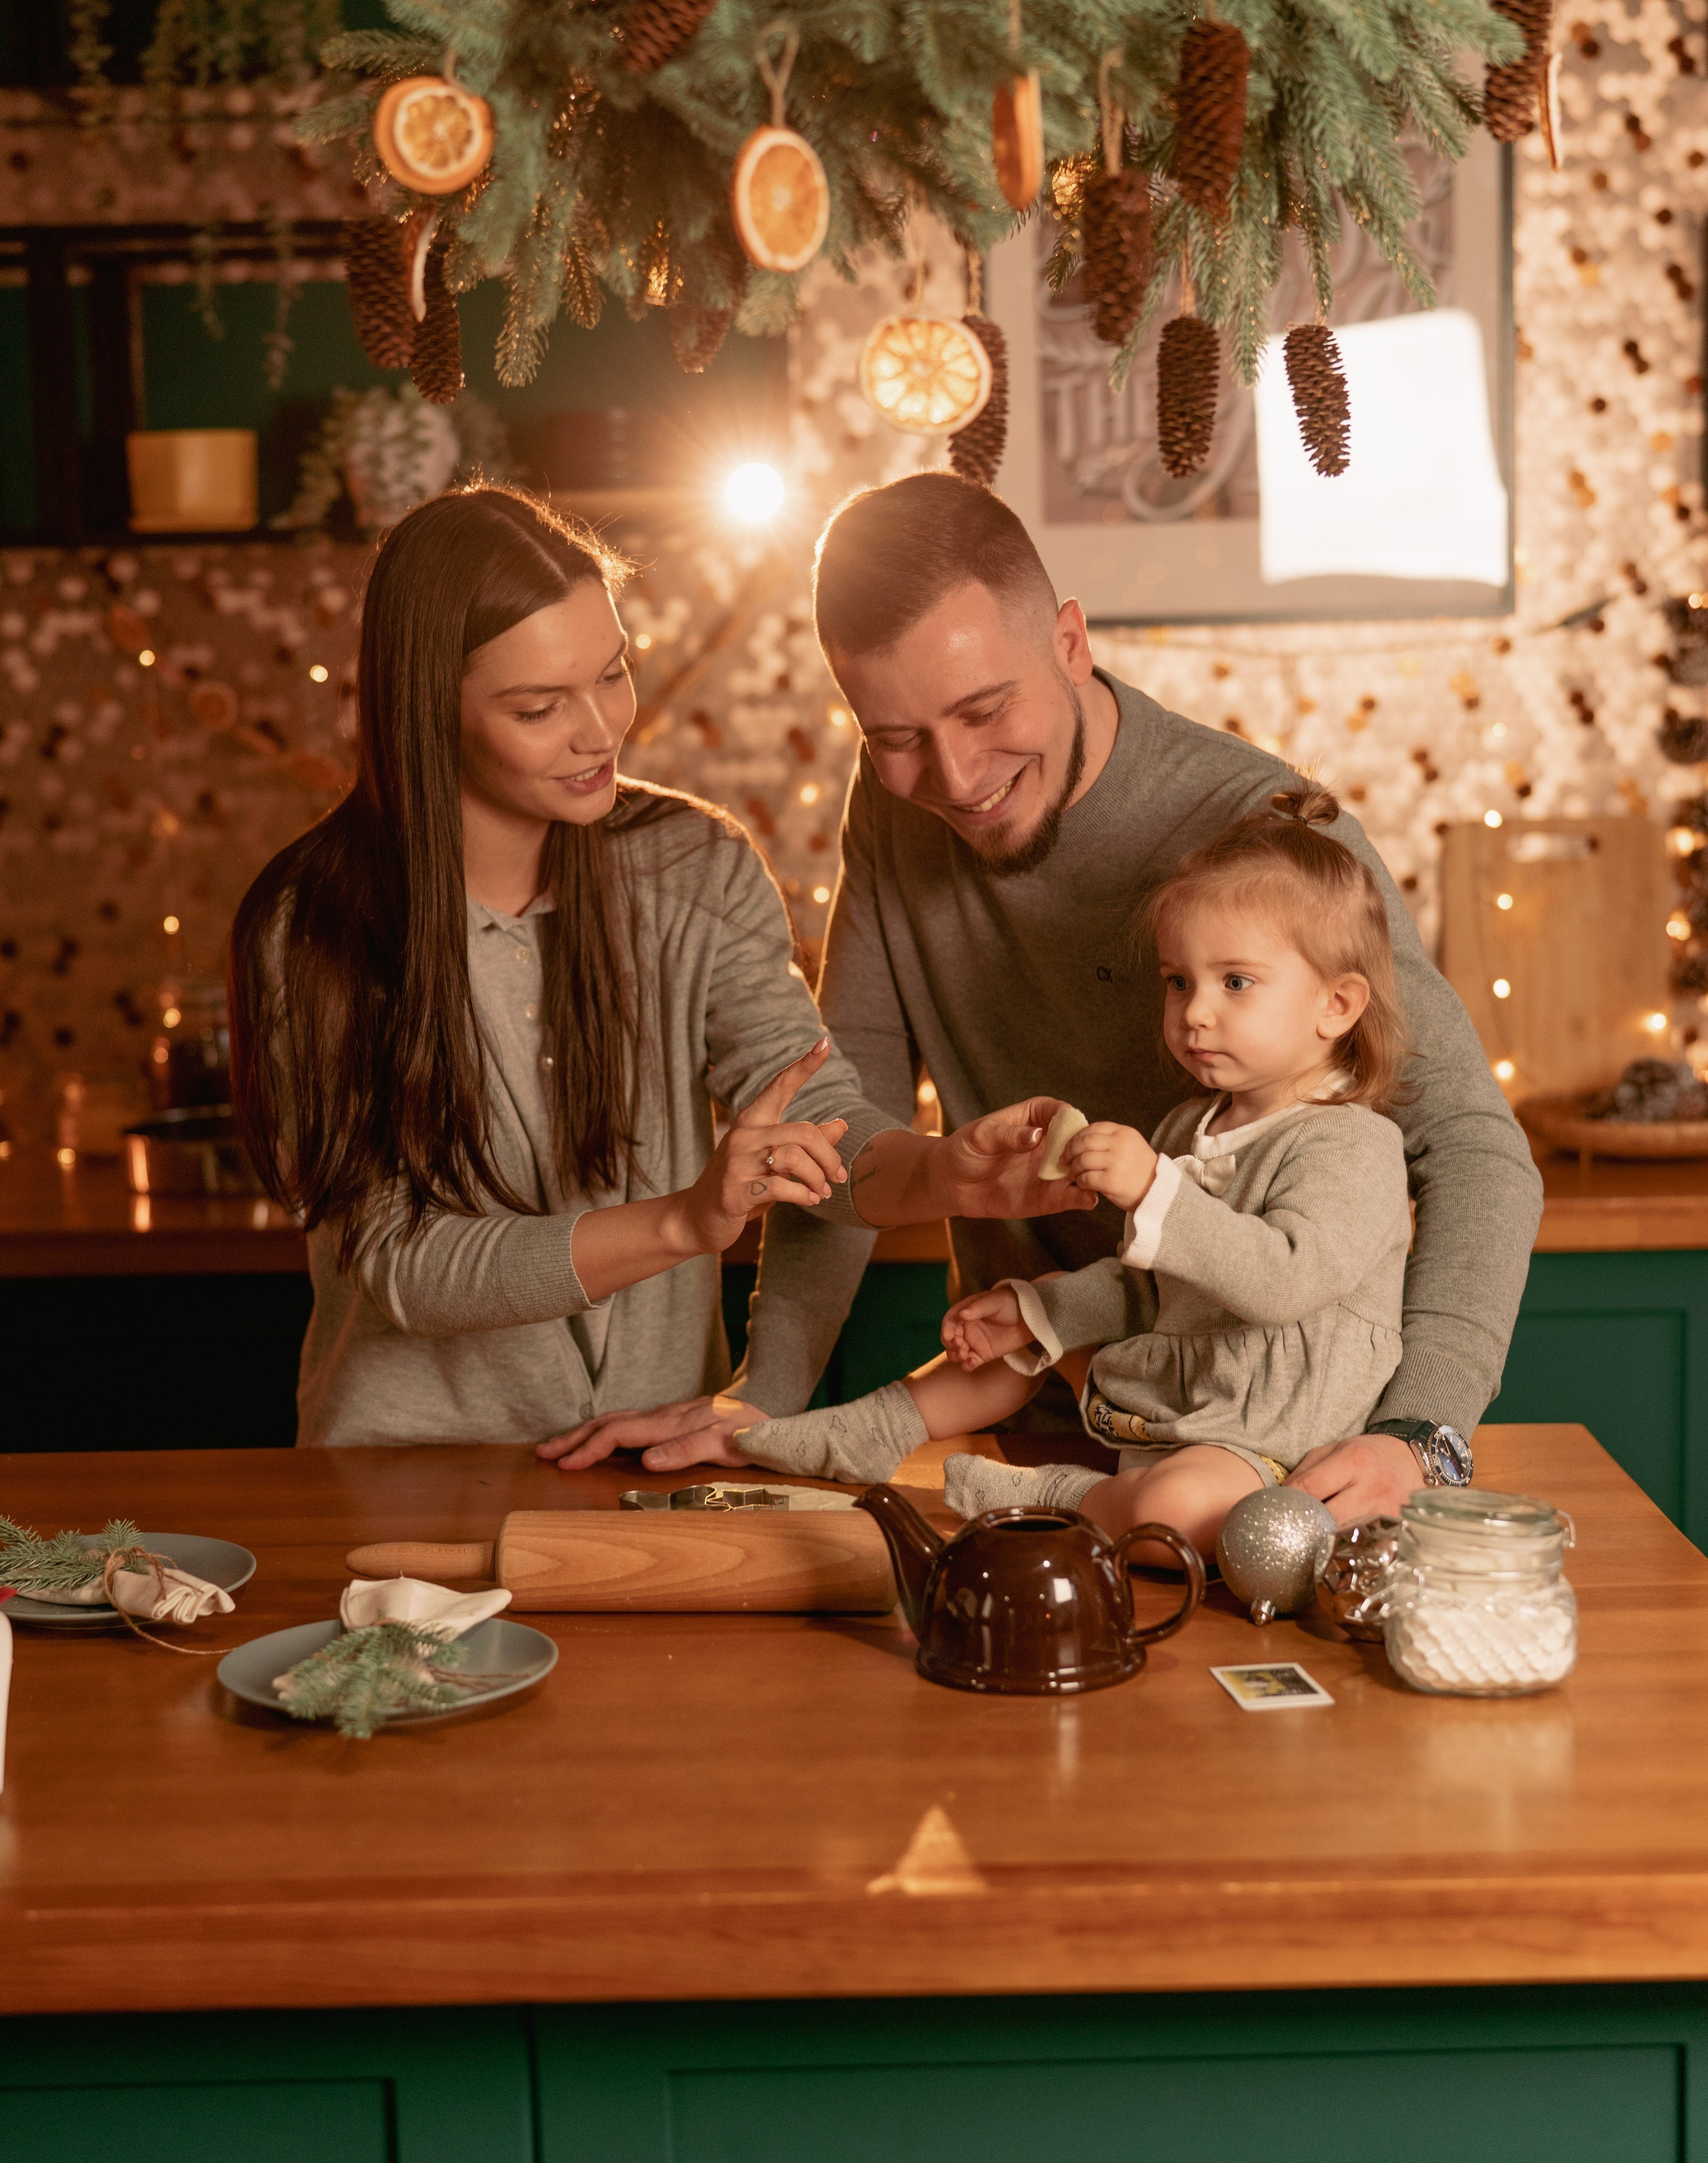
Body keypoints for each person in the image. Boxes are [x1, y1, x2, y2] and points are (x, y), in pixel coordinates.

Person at [540, 472, 1543, 1527]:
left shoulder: (1266, 839)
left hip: (1275, 1459)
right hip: (1046, 1405)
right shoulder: (897, 808)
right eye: (894, 737)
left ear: (1070, 642)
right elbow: (839, 1129)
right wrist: (765, 1393)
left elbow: (1473, 1146)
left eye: (984, 709)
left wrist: (1420, 1432)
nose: (957, 776)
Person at [228, 486, 1075, 1448]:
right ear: (429, 710)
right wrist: (682, 1223)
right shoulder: (312, 926)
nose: (601, 730)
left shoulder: (693, 866)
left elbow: (811, 1112)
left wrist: (944, 1173)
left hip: (649, 1463)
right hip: (397, 1481)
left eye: (613, 672)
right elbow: (407, 1264)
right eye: (539, 707)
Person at [737, 788, 1412, 1563]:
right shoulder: (1192, 1128)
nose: (1194, 1012)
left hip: (1278, 1443)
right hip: (1195, 1405)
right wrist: (1039, 1305)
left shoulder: (1353, 1145)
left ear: (1336, 1004)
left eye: (1235, 983)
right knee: (1024, 1335)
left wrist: (1155, 1189)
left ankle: (1053, 1495)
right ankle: (868, 1430)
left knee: (1174, 1515)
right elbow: (1155, 1288)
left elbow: (1283, 1282)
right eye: (1177, 981)